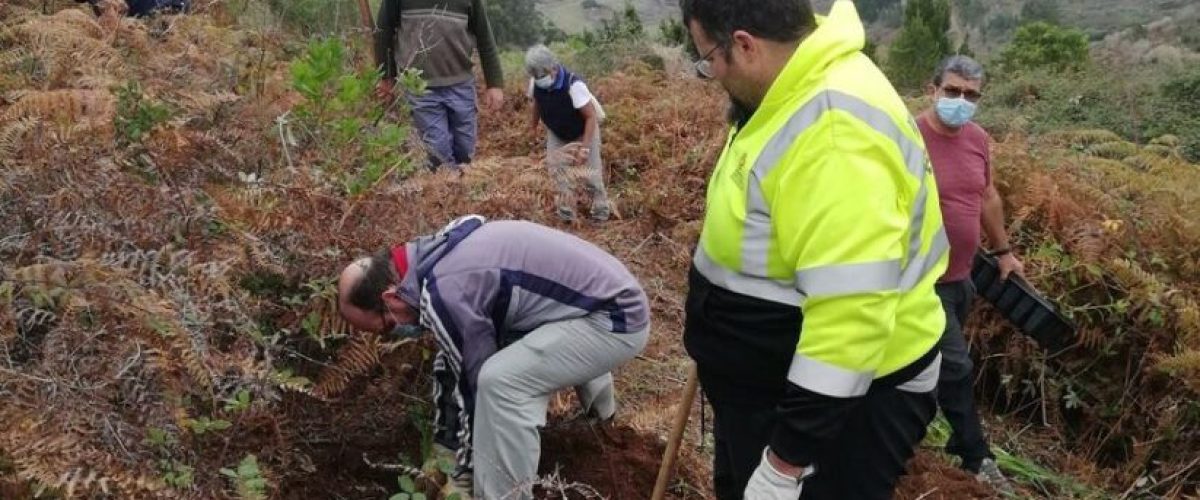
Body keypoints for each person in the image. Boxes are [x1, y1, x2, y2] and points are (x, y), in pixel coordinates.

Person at [680, 0, 950, 498]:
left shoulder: (833, 135)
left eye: (708, 58)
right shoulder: (788, 86)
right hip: (765, 388)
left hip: (839, 409)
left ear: (745, 44)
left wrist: (786, 464)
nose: (711, 72)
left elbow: (850, 317)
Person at [336, 215, 649, 500]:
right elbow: (453, 357)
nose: (399, 331)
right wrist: (445, 449)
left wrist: (462, 475)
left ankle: (506, 494)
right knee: (503, 354)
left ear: (390, 297)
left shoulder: (444, 291)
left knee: (499, 384)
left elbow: (474, 383)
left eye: (388, 325)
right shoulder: (432, 252)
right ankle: (601, 423)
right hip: (593, 298)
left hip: (614, 318)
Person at [918, 54, 1023, 492]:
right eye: (954, 91)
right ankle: (975, 455)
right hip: (920, 282)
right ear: (934, 89)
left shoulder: (977, 138)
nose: (961, 101)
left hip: (961, 278)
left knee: (929, 364)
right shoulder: (909, 135)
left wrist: (1003, 252)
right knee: (956, 366)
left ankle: (907, 431)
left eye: (972, 95)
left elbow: (987, 196)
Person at [373, 0, 506, 170]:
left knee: (465, 150)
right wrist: (386, 77)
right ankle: (449, 189)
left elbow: (485, 38)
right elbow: (383, 33)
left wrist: (494, 83)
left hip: (461, 84)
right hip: (419, 87)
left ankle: (460, 186)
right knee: (438, 152)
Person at [524, 45, 612, 223]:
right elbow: (537, 104)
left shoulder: (573, 85)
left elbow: (590, 117)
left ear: (553, 69)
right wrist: (532, 127)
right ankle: (566, 213)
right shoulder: (536, 82)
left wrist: (585, 148)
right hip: (557, 132)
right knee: (558, 172)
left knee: (591, 174)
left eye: (541, 76)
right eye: (535, 76)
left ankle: (601, 210)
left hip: (583, 130)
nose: (538, 79)